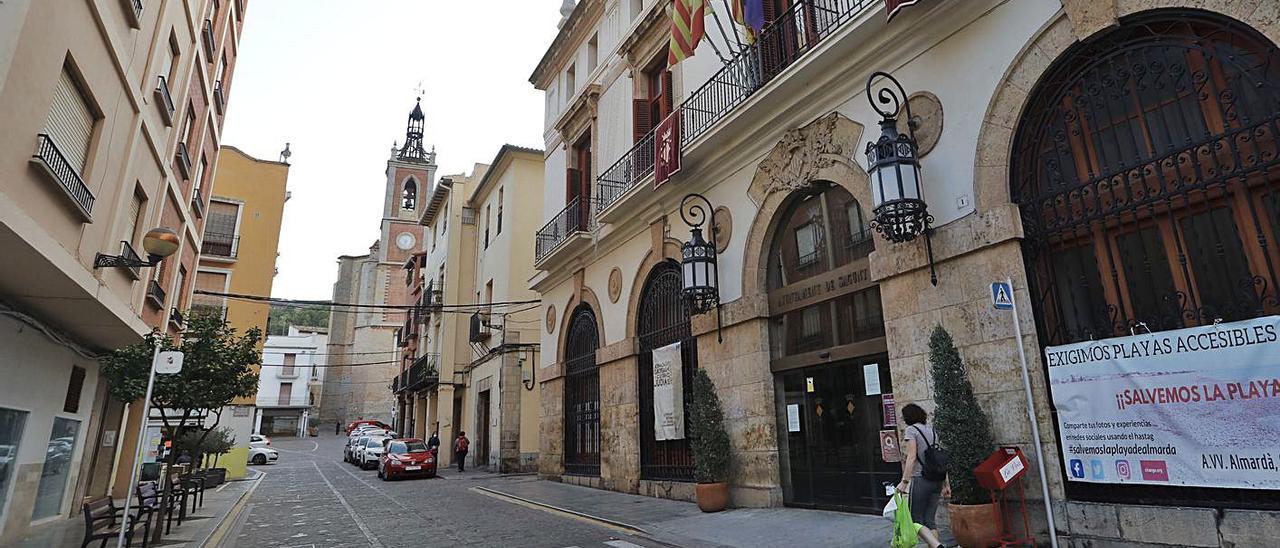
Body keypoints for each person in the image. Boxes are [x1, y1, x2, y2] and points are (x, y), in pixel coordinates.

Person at [896, 403, 952, 548]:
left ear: (908, 417)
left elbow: (911, 457)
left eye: (903, 416)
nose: (902, 419)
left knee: (914, 519)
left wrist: (904, 481)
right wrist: (946, 485)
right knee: (930, 520)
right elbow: (940, 460)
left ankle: (937, 546)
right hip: (937, 480)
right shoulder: (932, 431)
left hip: (920, 479)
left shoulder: (911, 431)